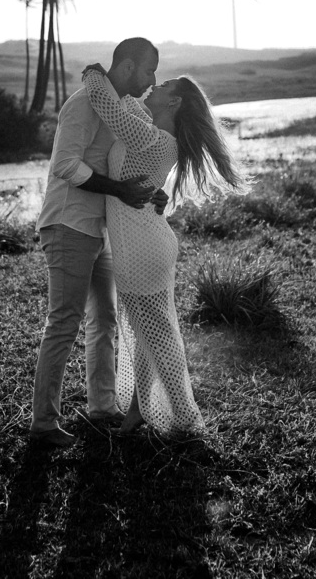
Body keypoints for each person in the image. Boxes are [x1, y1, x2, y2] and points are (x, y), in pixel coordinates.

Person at [81, 62, 245, 436]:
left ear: (174, 102)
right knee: (148, 333)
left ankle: (186, 420)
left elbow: (108, 107)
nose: (154, 85)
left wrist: (93, 75)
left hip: (140, 248)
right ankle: (139, 410)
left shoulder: (151, 139)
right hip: (143, 242)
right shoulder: (152, 133)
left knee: (158, 336)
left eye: (164, 84)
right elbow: (129, 110)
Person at [29, 37, 166, 448]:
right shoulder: (84, 104)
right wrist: (120, 190)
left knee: (105, 319)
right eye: (148, 70)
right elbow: (65, 164)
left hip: (98, 229)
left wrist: (146, 191)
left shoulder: (117, 108)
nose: (152, 80)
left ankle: (102, 406)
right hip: (69, 224)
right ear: (126, 67)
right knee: (63, 323)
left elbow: (115, 166)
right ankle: (43, 423)